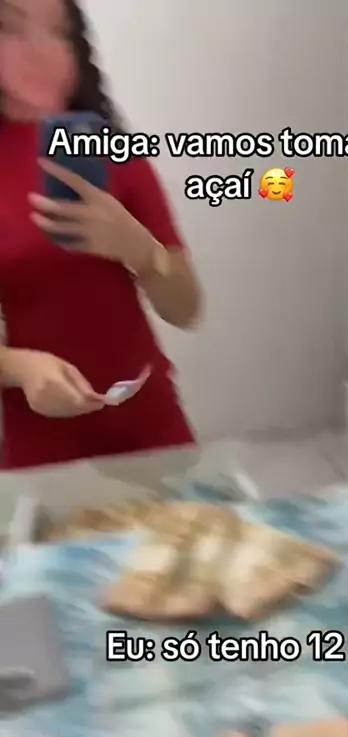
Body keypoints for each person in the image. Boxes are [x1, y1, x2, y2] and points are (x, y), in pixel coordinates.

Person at [0, 0, 201, 469]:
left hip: (150, 419)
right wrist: (20, 366)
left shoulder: (116, 151)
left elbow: (187, 310)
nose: (42, 50)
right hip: (40, 434)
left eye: (59, 32)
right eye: (12, 28)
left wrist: (141, 250)